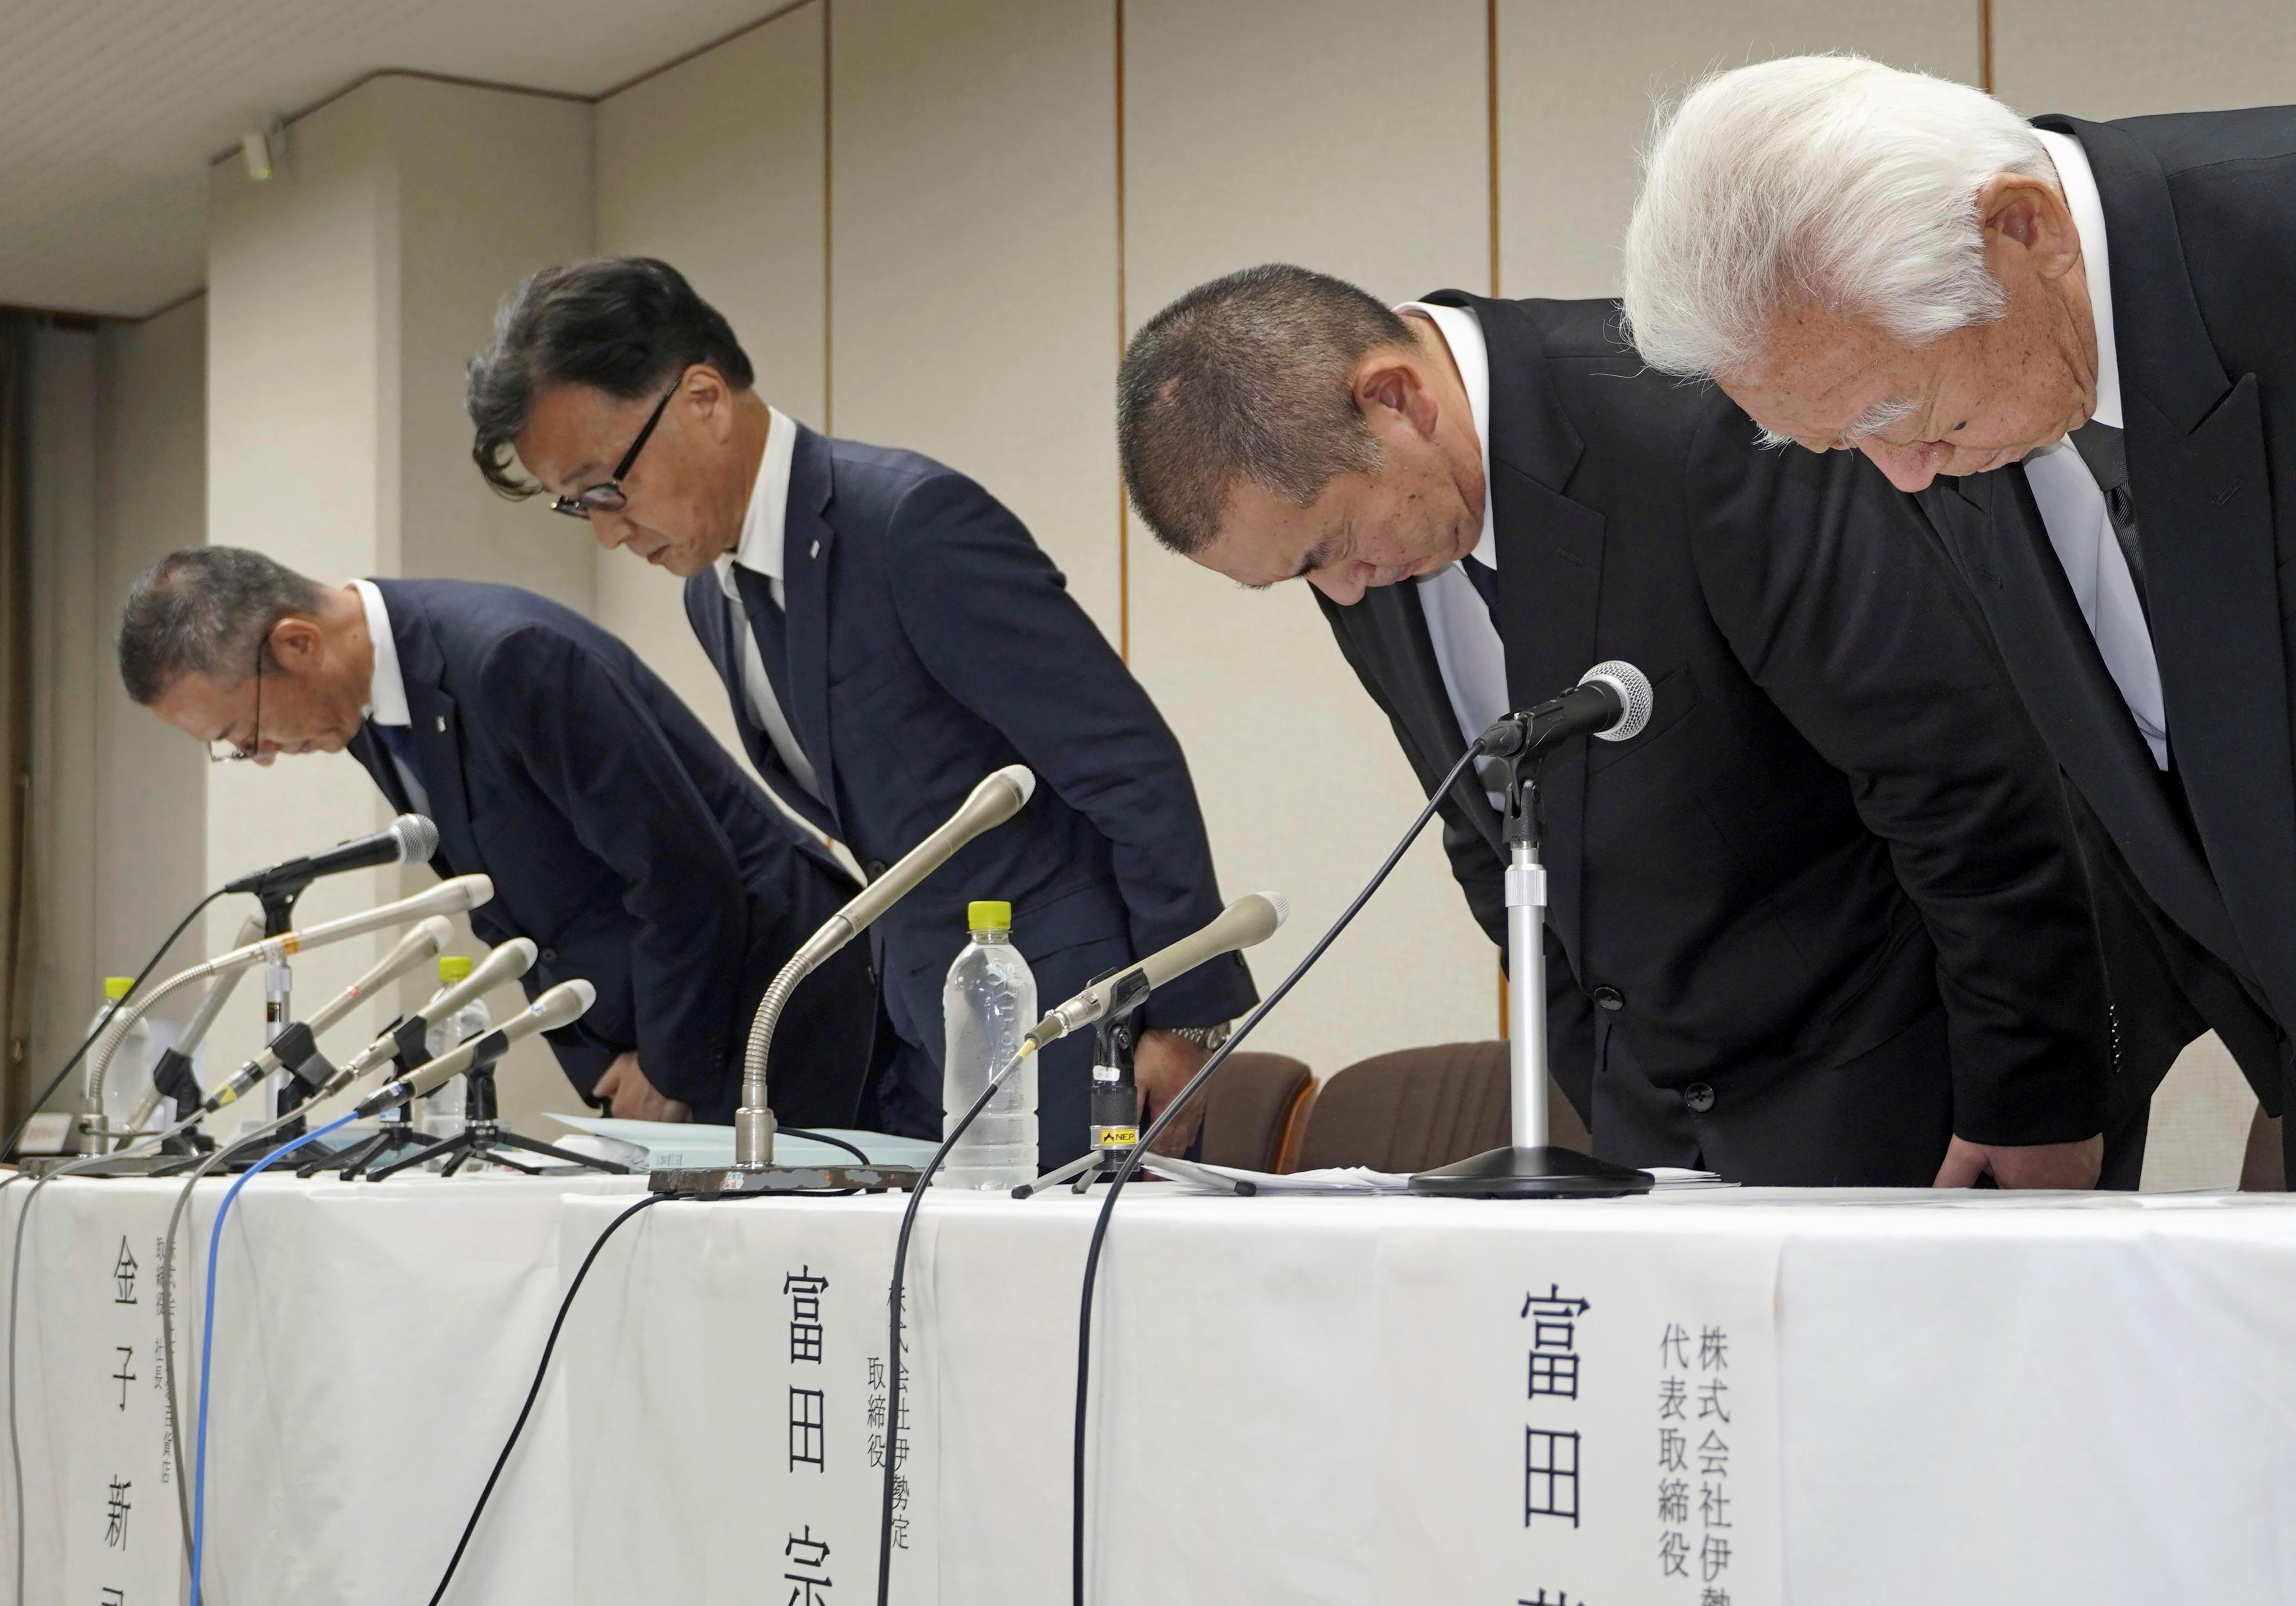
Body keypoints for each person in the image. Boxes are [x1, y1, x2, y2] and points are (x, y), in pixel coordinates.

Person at [1115, 263, 2178, 1188]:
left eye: (1327, 550)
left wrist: (2032, 1090)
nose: (1344, 593)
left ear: (1396, 398)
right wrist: (1614, 1095)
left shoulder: (1687, 413)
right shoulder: (1366, 526)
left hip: (1921, 1079)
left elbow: (1955, 764)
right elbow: (1490, 829)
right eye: (1301, 576)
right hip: (1663, 1139)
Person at [1622, 55, 2295, 1180]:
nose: (1901, 475)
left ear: (2021, 230)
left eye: (1893, 411)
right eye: (1842, 444)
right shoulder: (1973, 402)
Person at [462, 257, 1256, 1165]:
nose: (607, 528)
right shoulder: (712, 597)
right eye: (578, 506)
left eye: (608, 485)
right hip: (927, 1047)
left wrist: (1186, 1015)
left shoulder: (908, 525)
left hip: (1077, 1026)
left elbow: (1126, 759)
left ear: (703, 398)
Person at [116, 547, 875, 1127]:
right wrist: (606, 1057)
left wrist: (668, 1067)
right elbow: (513, 908)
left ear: (297, 645)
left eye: (243, 732)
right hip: (664, 1048)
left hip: (778, 1020)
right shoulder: (366, 710)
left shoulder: (508, 656)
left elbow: (682, 872)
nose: (263, 754)